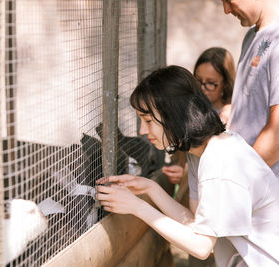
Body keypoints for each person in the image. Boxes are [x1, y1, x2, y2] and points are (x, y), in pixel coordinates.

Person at [96, 66, 279, 266]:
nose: (142, 130)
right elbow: (195, 226)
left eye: (148, 120)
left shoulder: (219, 161)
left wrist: (137, 206)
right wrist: (151, 188)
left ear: (175, 114)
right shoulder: (201, 152)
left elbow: (202, 247)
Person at [163, 47, 236, 186]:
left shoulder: (229, 113)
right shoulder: (191, 109)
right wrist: (180, 168)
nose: (202, 88)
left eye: (210, 83)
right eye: (198, 80)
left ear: (226, 84)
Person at [222, 0, 279, 177]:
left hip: (264, 186)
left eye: (229, 0)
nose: (226, 10)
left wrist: (239, 177)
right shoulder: (251, 36)